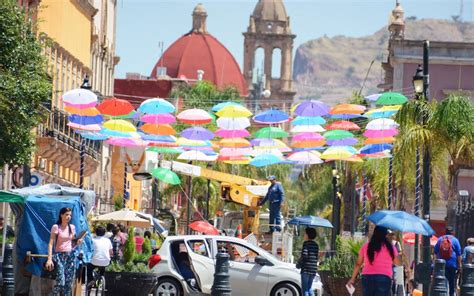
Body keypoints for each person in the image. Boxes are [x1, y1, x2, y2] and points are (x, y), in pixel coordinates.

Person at [347, 226, 401, 296]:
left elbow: (358, 264)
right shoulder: (390, 247)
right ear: (385, 235)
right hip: (384, 277)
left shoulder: (366, 246)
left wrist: (352, 278)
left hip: (367, 277)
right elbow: (398, 262)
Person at [45, 207, 83, 296]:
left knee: (68, 284)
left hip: (70, 255)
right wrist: (49, 259)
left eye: (70, 215)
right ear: (61, 215)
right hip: (59, 256)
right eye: (66, 214)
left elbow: (73, 243)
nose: (68, 217)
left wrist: (78, 242)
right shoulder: (56, 227)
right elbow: (50, 243)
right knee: (61, 282)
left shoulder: (72, 227)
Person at [434, 226, 462, 296]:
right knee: (452, 281)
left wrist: (436, 264)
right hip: (453, 264)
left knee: (443, 280)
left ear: (445, 232)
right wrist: (459, 265)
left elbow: (435, 252)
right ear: (453, 232)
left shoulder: (440, 239)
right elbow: (459, 254)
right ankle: (451, 294)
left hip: (442, 264)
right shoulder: (455, 240)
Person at [296, 227, 319, 296]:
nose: (304, 235)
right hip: (313, 269)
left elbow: (305, 256)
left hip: (306, 269)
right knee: (309, 288)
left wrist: (299, 263)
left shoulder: (306, 244)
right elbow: (316, 257)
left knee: (305, 289)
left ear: (308, 234)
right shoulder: (316, 245)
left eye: (305, 233)